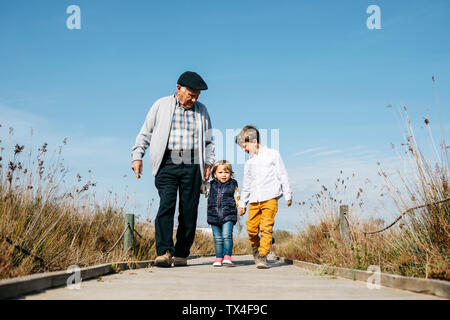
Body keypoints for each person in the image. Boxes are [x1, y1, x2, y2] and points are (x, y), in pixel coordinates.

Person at [131, 71, 215, 267]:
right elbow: (145, 133)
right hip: (167, 162)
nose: (193, 99)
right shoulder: (160, 105)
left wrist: (209, 163)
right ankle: (164, 252)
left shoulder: (202, 111)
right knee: (166, 205)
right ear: (179, 89)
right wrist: (137, 157)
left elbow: (209, 141)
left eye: (197, 96)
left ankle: (181, 253)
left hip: (193, 164)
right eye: (190, 95)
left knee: (188, 210)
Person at [236, 125, 292, 269]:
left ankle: (262, 255)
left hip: (270, 197)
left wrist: (287, 193)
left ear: (254, 141)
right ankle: (255, 248)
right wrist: (242, 204)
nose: (244, 149)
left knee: (266, 228)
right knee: (251, 229)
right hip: (254, 200)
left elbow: (282, 174)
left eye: (245, 146)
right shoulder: (249, 163)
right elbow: (246, 185)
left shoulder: (273, 154)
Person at [206, 160, 240, 267]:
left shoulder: (233, 184)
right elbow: (202, 190)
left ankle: (227, 256)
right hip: (213, 215)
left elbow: (237, 197)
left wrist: (241, 207)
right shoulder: (210, 185)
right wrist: (202, 179)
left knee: (226, 235)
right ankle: (219, 257)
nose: (224, 175)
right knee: (218, 238)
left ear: (231, 174)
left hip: (229, 214)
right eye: (220, 172)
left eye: (227, 172)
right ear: (214, 174)